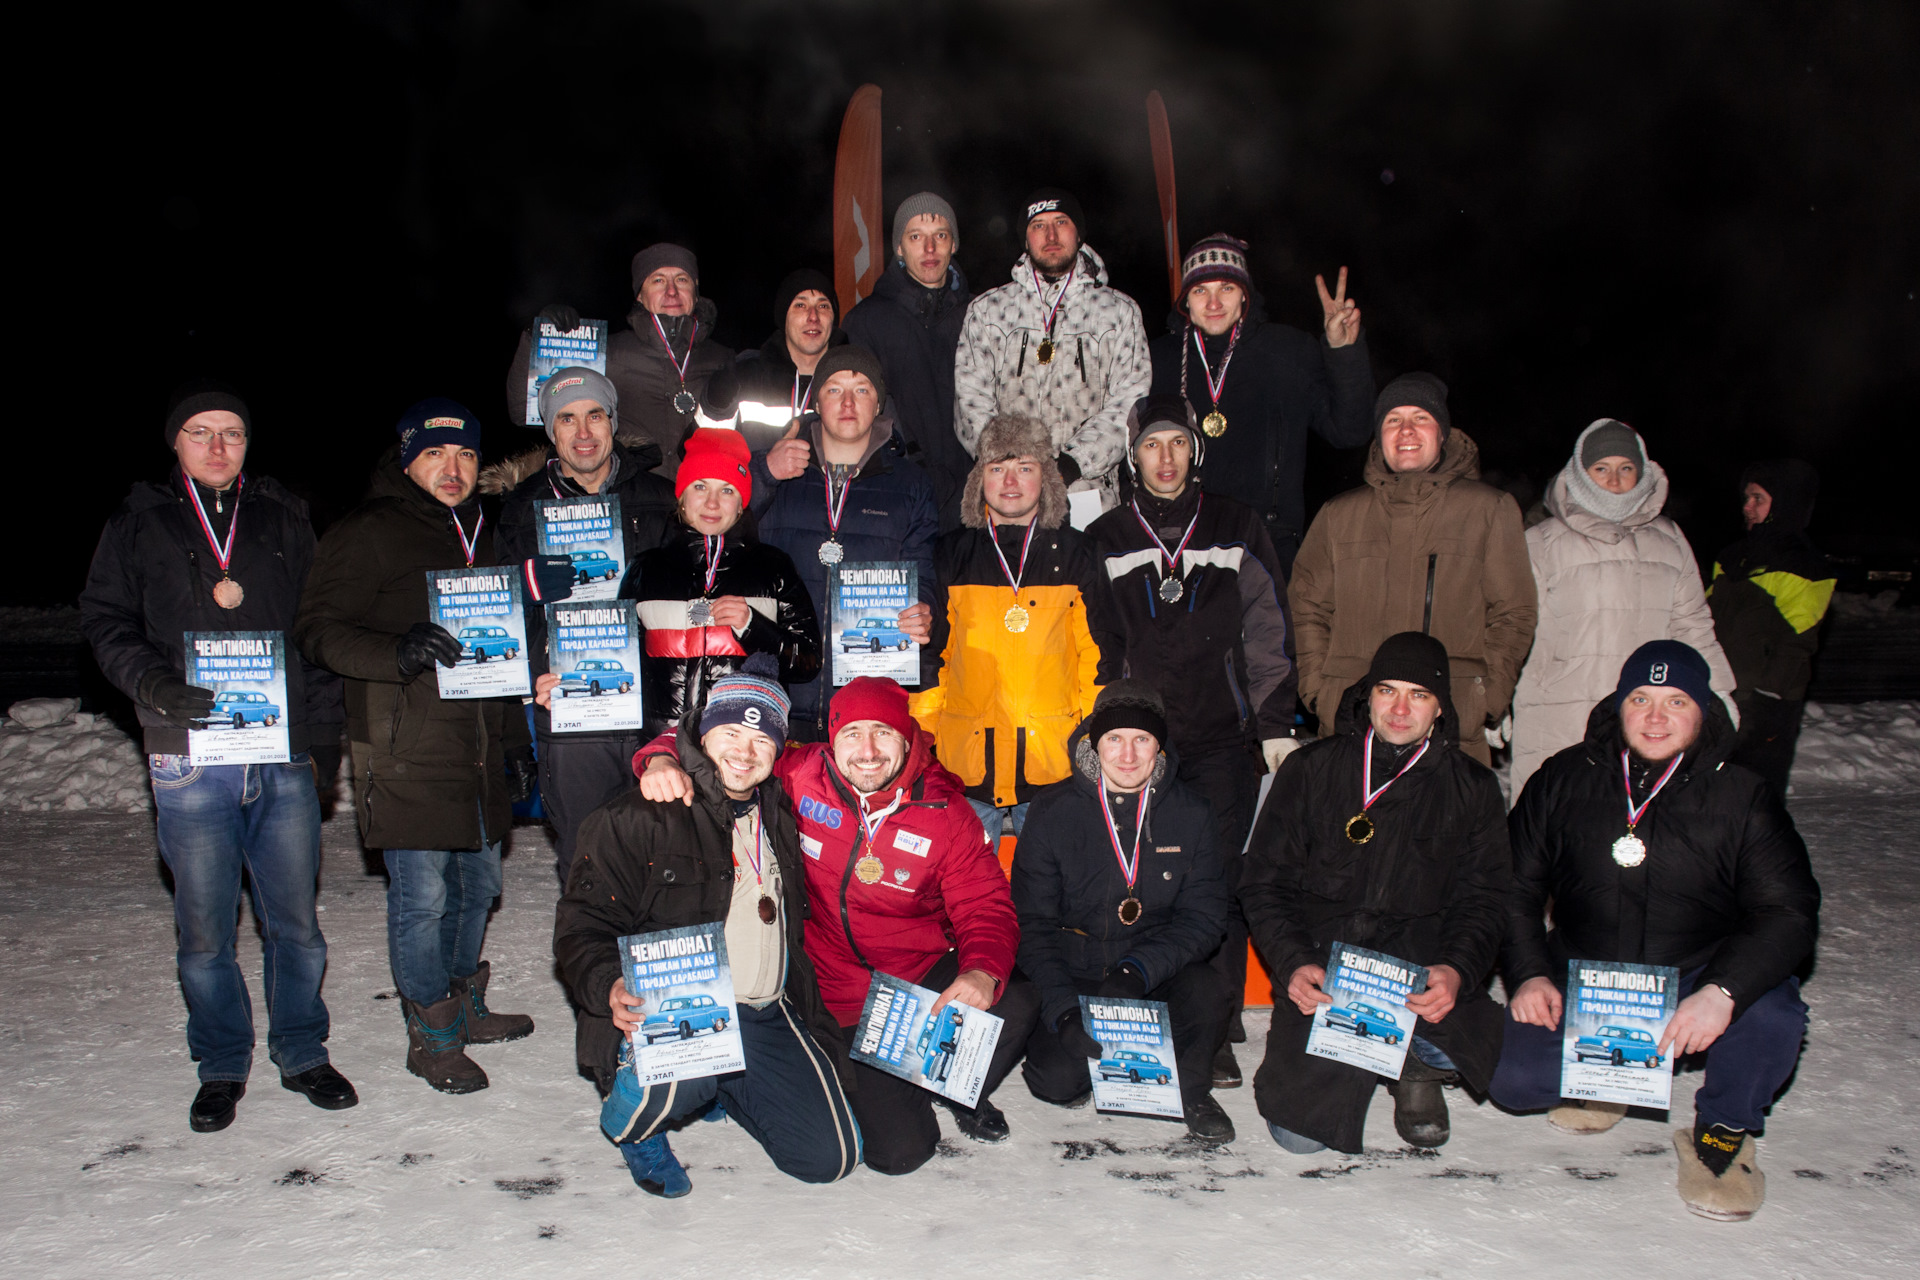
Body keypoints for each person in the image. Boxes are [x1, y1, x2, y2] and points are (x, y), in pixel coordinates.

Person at [79, 384, 353, 1132]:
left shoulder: (283, 518)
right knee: (204, 932)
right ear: (176, 442)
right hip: (189, 756)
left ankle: (302, 1052)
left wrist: (322, 740)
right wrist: (153, 681)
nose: (218, 447)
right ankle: (222, 1063)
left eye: (231, 433)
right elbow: (104, 621)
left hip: (281, 752)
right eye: (201, 433)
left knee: (295, 924)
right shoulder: (138, 522)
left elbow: (318, 628)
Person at [635, 675, 1040, 1169]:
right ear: (832, 739)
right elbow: (725, 747)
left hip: (918, 977)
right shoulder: (803, 774)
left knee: (1014, 997)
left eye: (883, 733)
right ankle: (900, 1080)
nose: (867, 751)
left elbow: (986, 905)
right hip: (840, 995)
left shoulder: (946, 811)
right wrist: (659, 758)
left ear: (907, 736)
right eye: (852, 734)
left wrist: (981, 971)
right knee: (900, 1154)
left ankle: (950, 1083)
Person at [1493, 641, 1820, 1222]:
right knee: (1514, 1080)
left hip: (1699, 968)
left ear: (1704, 713)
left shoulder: (1742, 796)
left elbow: (1788, 912)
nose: (1655, 717)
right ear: (1618, 707)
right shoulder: (1563, 778)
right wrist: (1530, 973)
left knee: (1771, 1015)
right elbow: (1510, 889)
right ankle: (1612, 1080)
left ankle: (1723, 1133)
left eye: (1677, 702)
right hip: (1589, 973)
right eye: (1640, 698)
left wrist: (1722, 993)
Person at [294, 399, 537, 1095]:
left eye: (464, 454)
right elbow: (316, 629)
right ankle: (431, 1035)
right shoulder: (368, 532)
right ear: (407, 461)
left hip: (482, 743)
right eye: (435, 454)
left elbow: (508, 648)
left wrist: (516, 740)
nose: (452, 468)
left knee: (480, 885)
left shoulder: (487, 531)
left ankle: (461, 1007)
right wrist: (395, 651)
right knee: (422, 895)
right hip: (406, 747)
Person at [555, 658, 860, 1197]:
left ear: (779, 750)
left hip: (766, 1009)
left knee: (830, 1157)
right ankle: (634, 1124)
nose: (745, 751)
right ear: (700, 730)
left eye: (763, 739)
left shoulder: (780, 812)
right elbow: (582, 928)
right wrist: (611, 986)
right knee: (684, 1067)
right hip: (677, 1009)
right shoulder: (640, 816)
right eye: (731, 733)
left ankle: (729, 1083)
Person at [1087, 394, 1299, 1089]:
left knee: (1218, 880)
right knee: (1143, 878)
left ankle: (1217, 1029)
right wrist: (1103, 726)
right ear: (1134, 455)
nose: (1166, 457)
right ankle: (1146, 1013)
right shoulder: (1109, 535)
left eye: (1178, 443)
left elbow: (1269, 630)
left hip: (1221, 739)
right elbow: (1098, 640)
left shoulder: (1237, 526)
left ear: (1194, 451)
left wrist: (1273, 725)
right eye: (1152, 445)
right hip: (1139, 744)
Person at [1242, 632, 1511, 1155]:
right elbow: (1264, 882)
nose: (1401, 709)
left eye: (1420, 695)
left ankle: (1416, 1064)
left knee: (1496, 1059)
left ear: (1440, 709)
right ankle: (1372, 1059)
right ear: (1368, 696)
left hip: (1418, 969)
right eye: (1388, 690)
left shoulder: (1472, 788)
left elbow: (1485, 899)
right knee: (1298, 1136)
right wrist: (1294, 963)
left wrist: (1455, 970)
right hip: (1327, 966)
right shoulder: (1309, 769)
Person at [1010, 681, 1236, 1143]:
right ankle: (1098, 1054)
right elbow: (1031, 924)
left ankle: (1191, 1088)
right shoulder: (1052, 811)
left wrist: (1138, 971)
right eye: (1114, 738)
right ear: (1094, 742)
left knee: (1208, 987)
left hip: (1152, 972)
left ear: (1160, 746)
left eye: (1142, 740)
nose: (1127, 755)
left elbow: (1205, 917)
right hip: (1075, 970)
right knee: (1055, 1083)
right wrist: (1064, 1012)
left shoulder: (1192, 813)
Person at [488, 367, 680, 884]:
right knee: (587, 858)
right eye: (567, 419)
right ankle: (598, 966)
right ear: (552, 432)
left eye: (595, 415)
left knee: (666, 857)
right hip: (571, 706)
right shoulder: (520, 508)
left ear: (613, 422)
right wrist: (533, 669)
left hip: (654, 703)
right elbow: (494, 608)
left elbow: (693, 584)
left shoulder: (662, 498)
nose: (584, 432)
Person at [1289, 373, 1537, 767]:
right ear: (1379, 435)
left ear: (1442, 433)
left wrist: (1487, 695)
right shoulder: (1340, 514)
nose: (1405, 429)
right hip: (1353, 720)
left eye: (1420, 417)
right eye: (1392, 419)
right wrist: (1320, 690)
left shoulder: (1489, 510)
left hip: (1451, 721)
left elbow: (1514, 612)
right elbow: (1307, 606)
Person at [910, 413, 1123, 844]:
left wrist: (1095, 743)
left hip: (1054, 765)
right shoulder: (949, 553)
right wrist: (923, 745)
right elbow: (931, 661)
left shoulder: (1080, 553)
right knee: (965, 903)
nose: (1010, 481)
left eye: (1024, 467)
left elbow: (1099, 660)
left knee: (1051, 901)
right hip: (964, 768)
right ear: (978, 480)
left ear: (1046, 478)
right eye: (997, 468)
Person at [1509, 419, 1737, 800]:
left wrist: (1720, 694)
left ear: (1642, 473)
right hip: (1557, 718)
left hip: (1648, 719)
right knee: (1553, 833)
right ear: (1580, 473)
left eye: (1625, 468)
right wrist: (1496, 699)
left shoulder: (1670, 541)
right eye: (1601, 469)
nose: (1614, 481)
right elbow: (1513, 628)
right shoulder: (1540, 543)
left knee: (1636, 840)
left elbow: (1693, 627)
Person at [1148, 234, 1376, 572]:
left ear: (1245, 295)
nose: (1213, 303)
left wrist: (1344, 353)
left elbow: (1350, 431)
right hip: (1177, 542)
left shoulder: (1288, 352)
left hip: (1268, 544)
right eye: (1200, 291)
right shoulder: (1157, 360)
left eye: (1226, 288)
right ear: (1185, 301)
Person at [748, 346, 938, 741]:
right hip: (777, 693)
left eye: (862, 390)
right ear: (816, 400)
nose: (848, 403)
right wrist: (763, 474)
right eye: (834, 389)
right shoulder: (776, 467)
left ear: (879, 403)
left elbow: (924, 571)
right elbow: (721, 532)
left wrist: (926, 611)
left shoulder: (911, 483)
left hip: (861, 709)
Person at [618, 427, 821, 738]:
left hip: (744, 750)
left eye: (727, 490)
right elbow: (619, 665)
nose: (712, 504)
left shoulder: (774, 566)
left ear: (742, 503)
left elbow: (808, 664)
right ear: (682, 499)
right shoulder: (644, 570)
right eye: (700, 487)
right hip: (665, 751)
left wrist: (755, 627)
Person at [954, 188, 1151, 504]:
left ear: (1079, 234)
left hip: (1088, 492)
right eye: (1038, 225)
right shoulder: (988, 311)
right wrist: (1013, 465)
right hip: (1010, 492)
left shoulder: (1118, 312)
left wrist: (1073, 462)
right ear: (1026, 239)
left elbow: (1131, 402)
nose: (1051, 234)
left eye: (1061, 221)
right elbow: (970, 400)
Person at [507, 243, 733, 475]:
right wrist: (536, 339)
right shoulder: (608, 353)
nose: (672, 291)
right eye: (658, 280)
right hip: (633, 502)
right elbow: (523, 409)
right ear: (639, 295)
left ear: (695, 291)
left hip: (705, 502)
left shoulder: (724, 359)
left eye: (682, 280)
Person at [842, 193, 976, 529]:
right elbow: (864, 408)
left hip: (978, 498)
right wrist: (912, 464)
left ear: (954, 244)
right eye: (916, 237)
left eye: (940, 236)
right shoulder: (866, 321)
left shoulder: (982, 315)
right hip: (901, 496)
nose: (929, 249)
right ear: (899, 248)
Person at [1708, 460, 1836, 798]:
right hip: (1718, 692)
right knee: (1709, 790)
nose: (1747, 507)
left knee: (1755, 794)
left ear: (1785, 503)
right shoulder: (1731, 558)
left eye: (1758, 499)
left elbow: (1797, 641)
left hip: (1765, 704)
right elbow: (1703, 619)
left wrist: (1765, 696)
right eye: (1746, 498)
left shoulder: (1807, 566)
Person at [702, 267, 847, 454]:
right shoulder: (745, 376)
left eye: (823, 306)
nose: (813, 317)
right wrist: (714, 401)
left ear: (833, 318)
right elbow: (706, 455)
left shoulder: (858, 380)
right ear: (783, 317)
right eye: (800, 305)